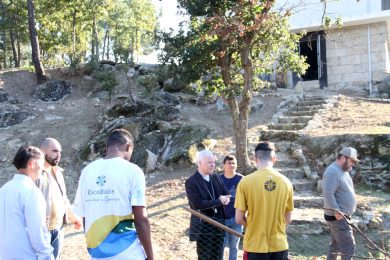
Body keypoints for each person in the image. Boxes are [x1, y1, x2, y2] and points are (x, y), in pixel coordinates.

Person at [73, 128, 154, 260]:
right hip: (128, 253)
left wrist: (94, 249)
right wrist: (150, 257)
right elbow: (141, 219)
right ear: (128, 147)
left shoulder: (87, 171)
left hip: (97, 254)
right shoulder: (133, 171)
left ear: (107, 148)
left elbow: (85, 217)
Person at [235, 141, 294, 260]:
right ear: (274, 159)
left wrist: (253, 225)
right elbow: (287, 219)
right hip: (279, 245)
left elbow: (239, 219)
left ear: (255, 158)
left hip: (254, 245)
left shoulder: (245, 182)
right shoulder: (286, 182)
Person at [0, 146, 54, 260]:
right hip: (25, 255)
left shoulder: (4, 189)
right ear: (32, 163)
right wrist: (47, 255)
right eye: (41, 164)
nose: (43, 168)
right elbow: (38, 231)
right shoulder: (31, 192)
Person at [37, 138, 82, 259]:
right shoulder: (34, 173)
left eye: (60, 152)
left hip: (58, 229)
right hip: (41, 231)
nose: (59, 155)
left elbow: (64, 198)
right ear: (42, 151)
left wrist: (73, 218)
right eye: (55, 151)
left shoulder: (57, 172)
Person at [185, 150, 230, 260]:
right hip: (204, 226)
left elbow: (225, 192)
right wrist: (219, 201)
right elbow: (197, 204)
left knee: (218, 256)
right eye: (209, 162)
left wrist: (226, 198)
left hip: (219, 223)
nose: (213, 165)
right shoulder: (191, 182)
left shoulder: (216, 176)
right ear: (199, 163)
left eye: (214, 162)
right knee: (205, 257)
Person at [323, 147, 359, 260]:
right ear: (343, 158)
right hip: (338, 216)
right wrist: (336, 211)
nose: (353, 164)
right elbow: (328, 193)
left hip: (341, 215)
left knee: (336, 246)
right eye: (352, 161)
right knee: (348, 247)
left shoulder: (343, 170)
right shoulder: (333, 171)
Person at [220, 155, 243, 260]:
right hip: (221, 219)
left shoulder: (242, 179)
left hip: (237, 219)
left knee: (234, 247)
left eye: (234, 163)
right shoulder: (218, 179)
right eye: (229, 163)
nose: (231, 165)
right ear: (223, 165)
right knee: (221, 246)